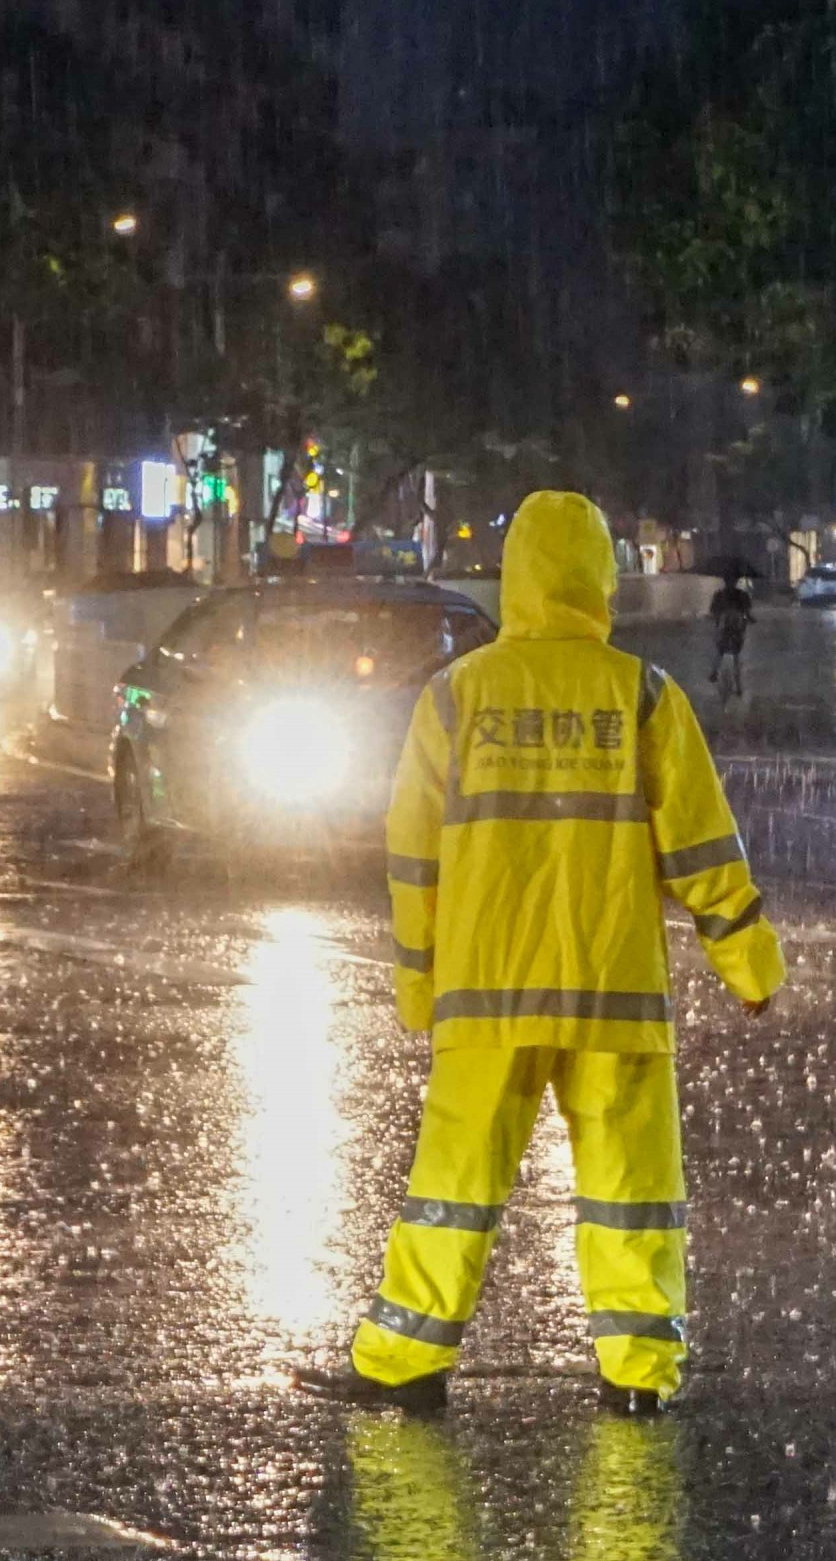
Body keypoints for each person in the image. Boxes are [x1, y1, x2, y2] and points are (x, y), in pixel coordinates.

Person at [298, 492, 783, 1420]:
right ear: (598, 578)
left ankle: (404, 1365)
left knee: (452, 1183)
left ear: (515, 576)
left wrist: (416, 980)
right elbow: (701, 845)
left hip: (486, 994)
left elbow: (413, 851)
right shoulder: (641, 695)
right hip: (613, 991)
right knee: (631, 1188)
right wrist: (748, 962)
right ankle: (638, 1373)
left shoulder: (458, 695)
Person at [706, 571, 753, 702]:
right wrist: (749, 619)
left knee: (720, 651)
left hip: (723, 628)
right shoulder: (742, 595)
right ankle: (738, 687)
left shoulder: (719, 595)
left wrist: (716, 619)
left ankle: (714, 673)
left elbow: (713, 611)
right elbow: (747, 612)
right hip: (738, 630)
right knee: (737, 656)